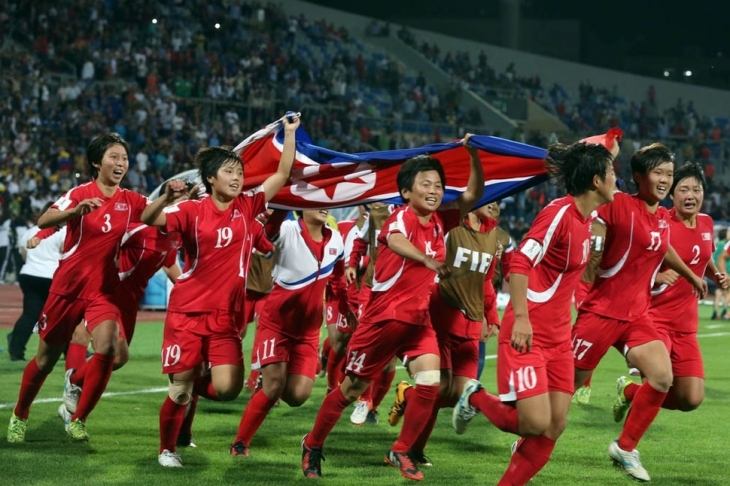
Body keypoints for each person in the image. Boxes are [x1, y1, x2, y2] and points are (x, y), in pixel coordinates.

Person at [301, 135, 483, 482]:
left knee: (431, 382)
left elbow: (473, 196)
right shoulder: (401, 218)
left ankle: (399, 450)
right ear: (405, 193)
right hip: (383, 321)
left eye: (439, 184)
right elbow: (395, 240)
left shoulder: (440, 219)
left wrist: (474, 156)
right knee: (351, 391)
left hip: (418, 322)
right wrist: (427, 259)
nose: (434, 189)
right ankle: (312, 444)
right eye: (425, 184)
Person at [452, 139, 618, 486]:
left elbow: (592, 168)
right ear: (595, 182)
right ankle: (475, 395)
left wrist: (606, 150)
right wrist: (523, 319)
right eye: (612, 173)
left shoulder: (589, 218)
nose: (617, 179)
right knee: (532, 424)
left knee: (555, 426)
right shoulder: (558, 213)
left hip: (559, 340)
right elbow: (521, 262)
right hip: (527, 333)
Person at [140, 113, 299, 468]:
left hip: (226, 316)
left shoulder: (249, 206)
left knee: (227, 389)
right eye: (229, 171)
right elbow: (149, 219)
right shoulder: (191, 210)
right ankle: (168, 448)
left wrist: (289, 134)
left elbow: (282, 174)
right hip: (188, 311)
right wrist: (165, 197)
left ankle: (189, 384)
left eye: (239, 172)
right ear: (211, 179)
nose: (238, 177)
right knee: (180, 389)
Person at [571, 143, 707, 482]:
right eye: (658, 173)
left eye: (668, 174)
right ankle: (508, 417)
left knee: (662, 378)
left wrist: (691, 274)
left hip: (637, 316)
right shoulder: (618, 204)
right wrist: (606, 150)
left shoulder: (661, 217)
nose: (664, 180)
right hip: (601, 314)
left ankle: (625, 446)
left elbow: (664, 246)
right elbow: (593, 190)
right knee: (560, 392)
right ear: (638, 176)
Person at [7, 132, 150, 443]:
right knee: (45, 360)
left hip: (103, 290)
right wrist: (74, 212)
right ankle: (20, 413)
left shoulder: (133, 200)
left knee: (109, 347)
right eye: (114, 156)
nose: (121, 163)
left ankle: (78, 418)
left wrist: (175, 196)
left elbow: (157, 215)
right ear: (97, 162)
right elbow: (45, 219)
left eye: (124, 158)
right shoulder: (79, 192)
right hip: (67, 289)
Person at [58, 182, 192, 427]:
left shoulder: (175, 233)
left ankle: (74, 381)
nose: (181, 204)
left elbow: (170, 263)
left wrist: (188, 286)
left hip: (131, 302)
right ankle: (76, 413)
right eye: (176, 199)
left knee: (118, 359)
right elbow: (104, 242)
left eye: (184, 200)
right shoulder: (139, 226)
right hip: (109, 294)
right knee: (108, 348)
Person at [612, 162, 727, 424]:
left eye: (696, 190)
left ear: (703, 194)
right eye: (683, 189)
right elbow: (634, 263)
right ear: (672, 196)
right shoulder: (660, 222)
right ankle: (626, 447)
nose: (690, 195)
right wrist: (658, 276)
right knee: (658, 382)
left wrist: (714, 274)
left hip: (685, 325)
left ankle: (630, 392)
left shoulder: (707, 223)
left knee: (691, 399)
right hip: (653, 320)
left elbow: (700, 256)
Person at [229, 208, 350, 456]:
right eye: (314, 201)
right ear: (301, 206)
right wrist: (281, 206)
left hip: (308, 331)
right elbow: (267, 234)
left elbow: (337, 281)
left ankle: (270, 382)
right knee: (274, 387)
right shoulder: (287, 230)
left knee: (297, 395)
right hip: (277, 324)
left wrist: (347, 309)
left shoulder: (336, 239)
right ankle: (240, 443)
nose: (323, 206)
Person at [394, 201, 501, 467]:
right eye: (490, 198)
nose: (495, 204)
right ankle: (413, 450)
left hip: (472, 323)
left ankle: (407, 395)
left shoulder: (492, 235)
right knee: (439, 388)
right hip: (442, 316)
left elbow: (486, 280)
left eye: (499, 200)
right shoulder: (450, 225)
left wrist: (492, 317)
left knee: (455, 394)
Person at [343, 203, 397, 424]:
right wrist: (352, 264)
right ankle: (363, 399)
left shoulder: (414, 216)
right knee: (367, 342)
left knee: (390, 357)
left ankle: (373, 405)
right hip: (372, 287)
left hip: (397, 292)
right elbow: (360, 241)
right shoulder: (376, 214)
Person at [6, 204, 65, 361]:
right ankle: (70, 350)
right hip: (51, 277)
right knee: (61, 316)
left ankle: (16, 350)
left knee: (30, 315)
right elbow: (66, 254)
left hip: (29, 275)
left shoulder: (31, 231)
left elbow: (24, 254)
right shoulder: (62, 231)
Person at [712, 228, 730, 320]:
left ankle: (715, 312)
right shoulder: (725, 244)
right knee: (728, 293)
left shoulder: (718, 244)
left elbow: (715, 257)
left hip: (717, 269)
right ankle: (724, 312)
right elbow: (722, 257)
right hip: (727, 270)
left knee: (718, 291)